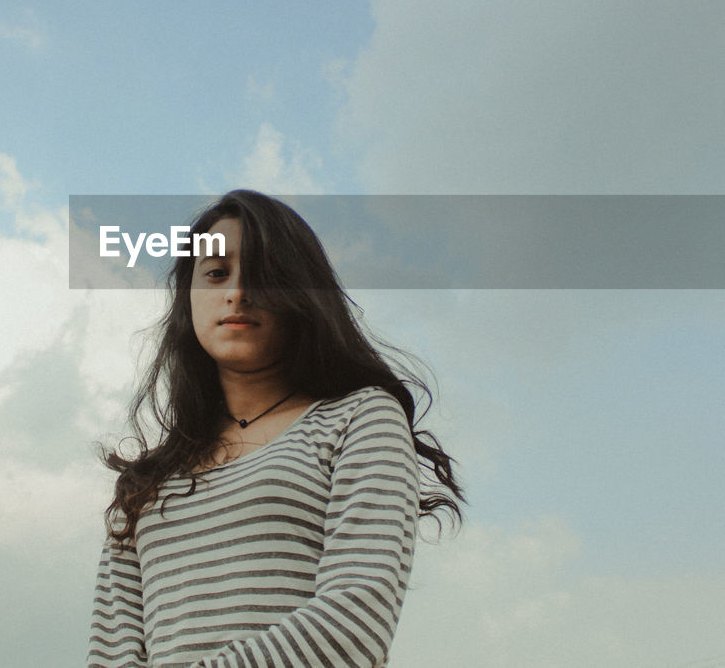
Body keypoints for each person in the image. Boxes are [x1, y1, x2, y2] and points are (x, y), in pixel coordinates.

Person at [87, 190, 463, 668]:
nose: (237, 293)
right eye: (216, 274)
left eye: (265, 276)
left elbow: (355, 619)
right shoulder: (142, 482)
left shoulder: (360, 419)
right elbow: (111, 652)